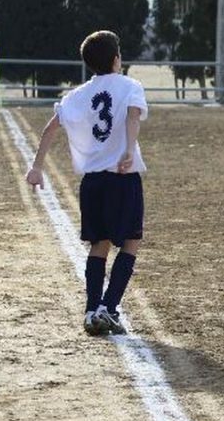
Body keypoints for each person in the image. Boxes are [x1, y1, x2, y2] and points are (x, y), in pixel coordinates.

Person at [26, 30, 148, 336]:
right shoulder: (130, 86)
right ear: (117, 59)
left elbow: (50, 128)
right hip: (123, 178)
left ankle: (92, 310)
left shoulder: (77, 95)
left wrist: (37, 167)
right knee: (131, 241)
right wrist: (128, 149)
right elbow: (133, 116)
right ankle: (109, 307)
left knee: (99, 244)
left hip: (93, 182)